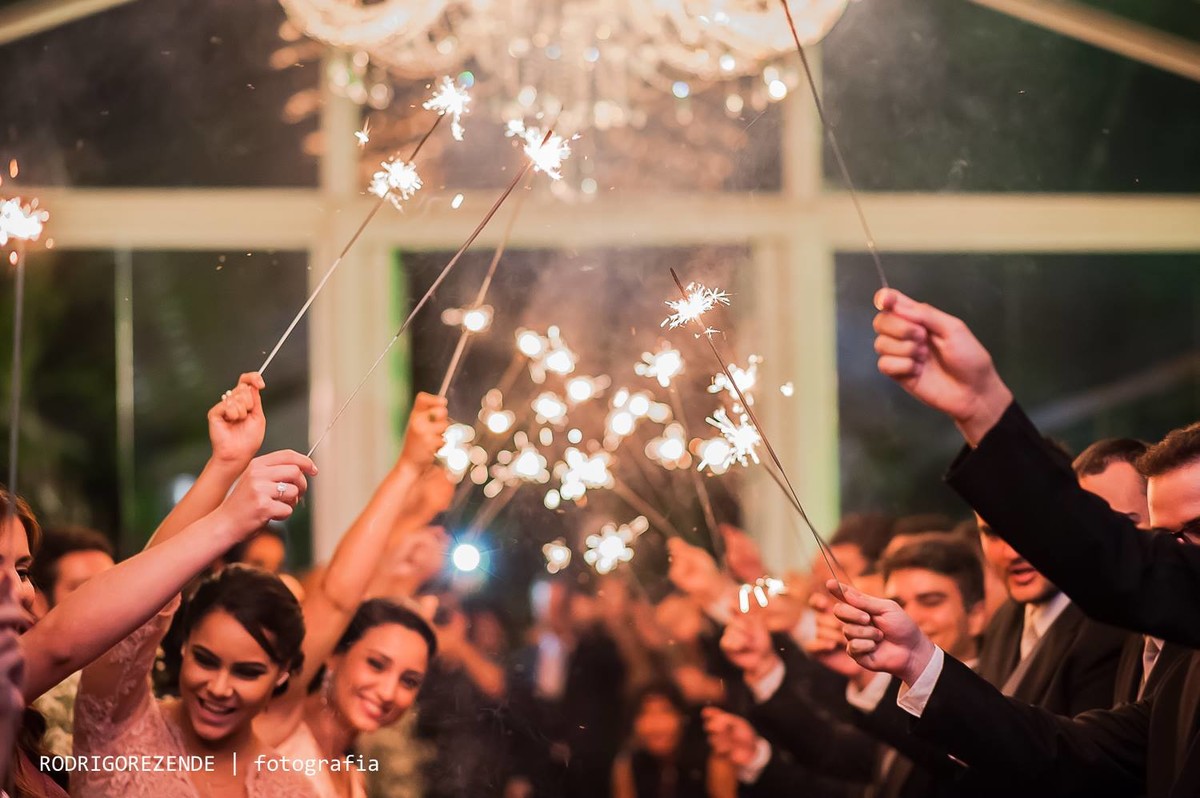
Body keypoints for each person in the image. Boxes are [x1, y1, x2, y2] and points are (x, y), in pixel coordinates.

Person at [845, 288, 1200, 795]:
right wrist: (920, 662)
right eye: (1161, 537)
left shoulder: (1127, 628)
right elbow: (1065, 752)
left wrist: (983, 409)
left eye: (1198, 531)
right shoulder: (1181, 667)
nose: (1174, 552)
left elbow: (1115, 562)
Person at [254, 392, 449, 798]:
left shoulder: (353, 777)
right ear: (333, 653)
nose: (388, 692)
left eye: (409, 680)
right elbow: (337, 595)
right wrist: (409, 470)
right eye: (377, 664)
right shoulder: (279, 722)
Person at [706, 536, 990, 798]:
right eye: (900, 604)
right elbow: (840, 760)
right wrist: (755, 755)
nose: (911, 617)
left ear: (977, 616)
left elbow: (961, 767)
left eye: (930, 601)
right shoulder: (895, 695)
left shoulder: (996, 698)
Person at [26, 526, 116, 763]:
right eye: (85, 588)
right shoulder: (29, 696)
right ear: (39, 602)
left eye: (114, 586)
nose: (108, 602)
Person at [612, 683, 735, 798]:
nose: (656, 725)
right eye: (645, 714)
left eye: (665, 711)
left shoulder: (712, 760)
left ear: (682, 718)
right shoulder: (629, 765)